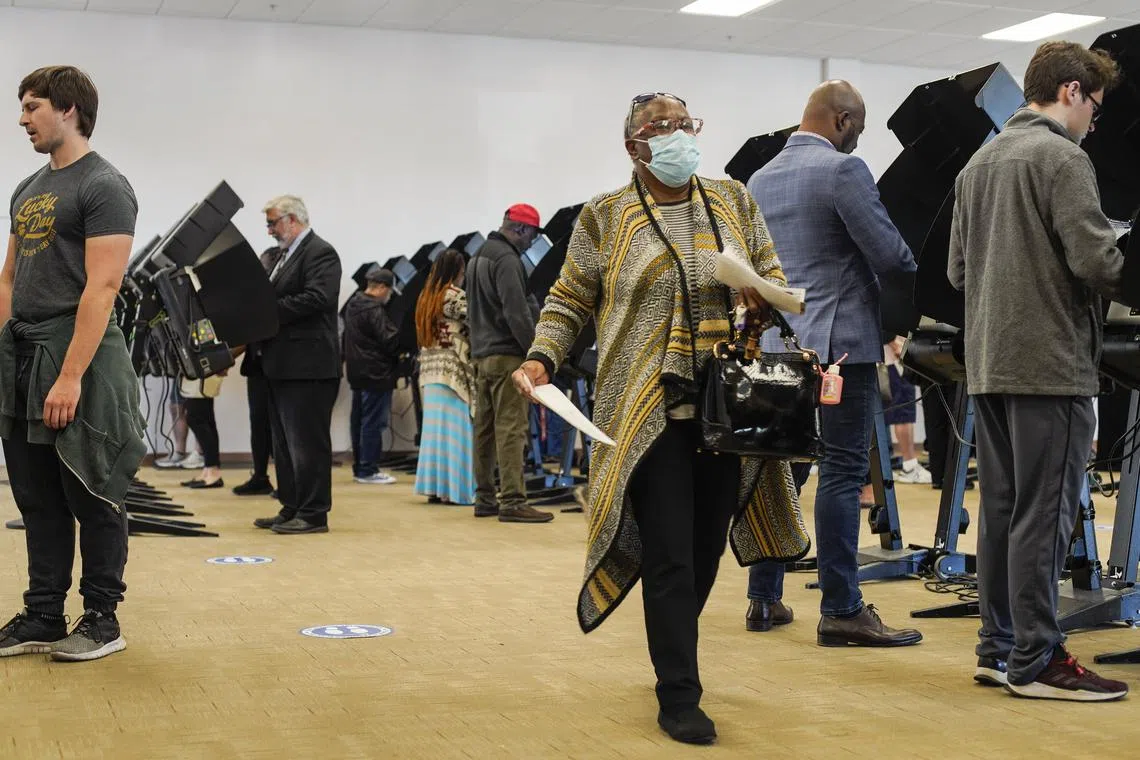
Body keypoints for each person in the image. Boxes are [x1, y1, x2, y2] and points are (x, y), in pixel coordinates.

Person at [513, 91, 809, 745]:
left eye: (684, 124)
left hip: (726, 408)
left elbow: (773, 274)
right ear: (633, 145)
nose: (676, 135)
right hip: (646, 411)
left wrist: (758, 295)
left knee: (704, 553)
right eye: (660, 127)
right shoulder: (605, 216)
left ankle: (674, 648)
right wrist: (542, 359)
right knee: (671, 553)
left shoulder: (732, 199)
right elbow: (569, 297)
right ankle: (680, 691)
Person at [949, 40, 1129, 701]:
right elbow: (1098, 263)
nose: (1094, 123)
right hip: (1051, 364)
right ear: (1073, 92)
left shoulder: (980, 162)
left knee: (1003, 511)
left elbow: (957, 274)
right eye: (1097, 109)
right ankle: (1038, 660)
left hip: (989, 363)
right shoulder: (1062, 157)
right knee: (1046, 513)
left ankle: (998, 649)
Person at [743, 81, 924, 648]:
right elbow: (890, 254)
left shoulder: (759, 179)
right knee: (844, 471)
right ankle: (842, 607)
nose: (856, 142)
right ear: (843, 121)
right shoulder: (844, 172)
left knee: (781, 468)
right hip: (840, 347)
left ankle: (764, 598)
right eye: (858, 131)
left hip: (777, 348)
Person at [0, 65, 145, 661]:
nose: (22, 118)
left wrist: (70, 376)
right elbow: (10, 277)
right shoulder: (28, 188)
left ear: (68, 109)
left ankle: (102, 618)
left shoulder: (105, 185)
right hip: (25, 353)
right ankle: (43, 613)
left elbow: (102, 288)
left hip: (77, 355)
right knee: (36, 495)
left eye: (32, 106)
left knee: (93, 488)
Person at [252, 195, 341, 535]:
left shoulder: (320, 252)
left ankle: (314, 513)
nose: (270, 230)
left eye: (273, 222)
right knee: (285, 445)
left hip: (310, 366)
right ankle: (291, 506)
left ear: (292, 220)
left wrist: (267, 310)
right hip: (282, 364)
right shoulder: (284, 256)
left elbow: (319, 298)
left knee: (307, 443)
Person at [467, 205, 552, 523]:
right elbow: (516, 312)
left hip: (482, 356)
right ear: (521, 229)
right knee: (511, 429)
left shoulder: (479, 256)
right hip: (507, 358)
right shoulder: (506, 260)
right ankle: (514, 500)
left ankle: (485, 498)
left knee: (484, 429)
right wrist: (536, 355)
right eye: (532, 235)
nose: (532, 242)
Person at [413, 249, 476, 505]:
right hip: (453, 373)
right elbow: (477, 318)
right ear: (457, 271)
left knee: (434, 435)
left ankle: (435, 488)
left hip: (429, 372)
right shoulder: (454, 297)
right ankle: (456, 490)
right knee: (456, 433)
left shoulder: (425, 297)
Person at [231, 245, 282, 497]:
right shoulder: (255, 295)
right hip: (256, 368)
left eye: (264, 266)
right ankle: (260, 475)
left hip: (279, 367)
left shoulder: (277, 296)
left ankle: (285, 481)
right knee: (258, 424)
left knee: (279, 427)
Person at [343, 267, 399, 485]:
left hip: (357, 372)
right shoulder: (374, 309)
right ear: (383, 288)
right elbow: (389, 340)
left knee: (359, 421)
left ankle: (360, 467)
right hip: (377, 372)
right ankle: (368, 469)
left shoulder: (353, 304)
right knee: (373, 422)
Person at [883, 336, 931, 484]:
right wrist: (894, 343)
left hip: (892, 357)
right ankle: (909, 466)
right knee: (904, 414)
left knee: (903, 413)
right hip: (895, 359)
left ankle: (909, 465)